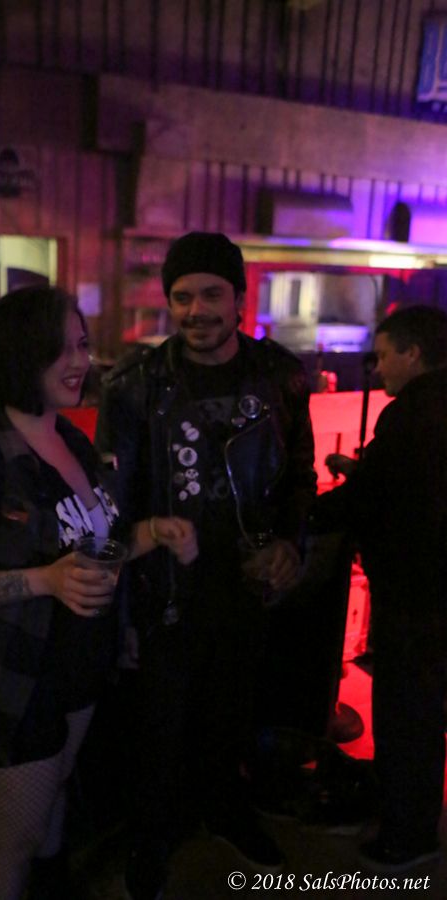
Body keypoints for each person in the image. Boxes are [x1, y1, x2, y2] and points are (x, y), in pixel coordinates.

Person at [0, 285, 197, 900]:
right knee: (12, 841)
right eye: (59, 349)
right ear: (20, 356)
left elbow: (96, 548)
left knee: (52, 810)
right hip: (20, 684)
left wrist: (152, 533)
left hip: (82, 669)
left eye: (83, 345)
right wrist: (44, 579)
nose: (80, 362)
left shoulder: (73, 440)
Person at [96, 231, 317, 899]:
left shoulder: (281, 375)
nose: (196, 310)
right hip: (165, 587)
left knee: (231, 713)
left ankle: (226, 811)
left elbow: (299, 478)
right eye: (182, 297)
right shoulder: (134, 384)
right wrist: (121, 607)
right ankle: (152, 836)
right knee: (158, 726)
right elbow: (112, 505)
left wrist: (291, 544)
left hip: (247, 585)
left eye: (211, 294)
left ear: (240, 298)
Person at [316, 305, 447, 872]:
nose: (378, 367)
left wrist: (299, 519)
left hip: (414, 594)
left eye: (385, 354)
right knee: (423, 710)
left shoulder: (411, 412)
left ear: (413, 354)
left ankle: (406, 836)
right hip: (434, 589)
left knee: (406, 714)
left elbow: (370, 499)